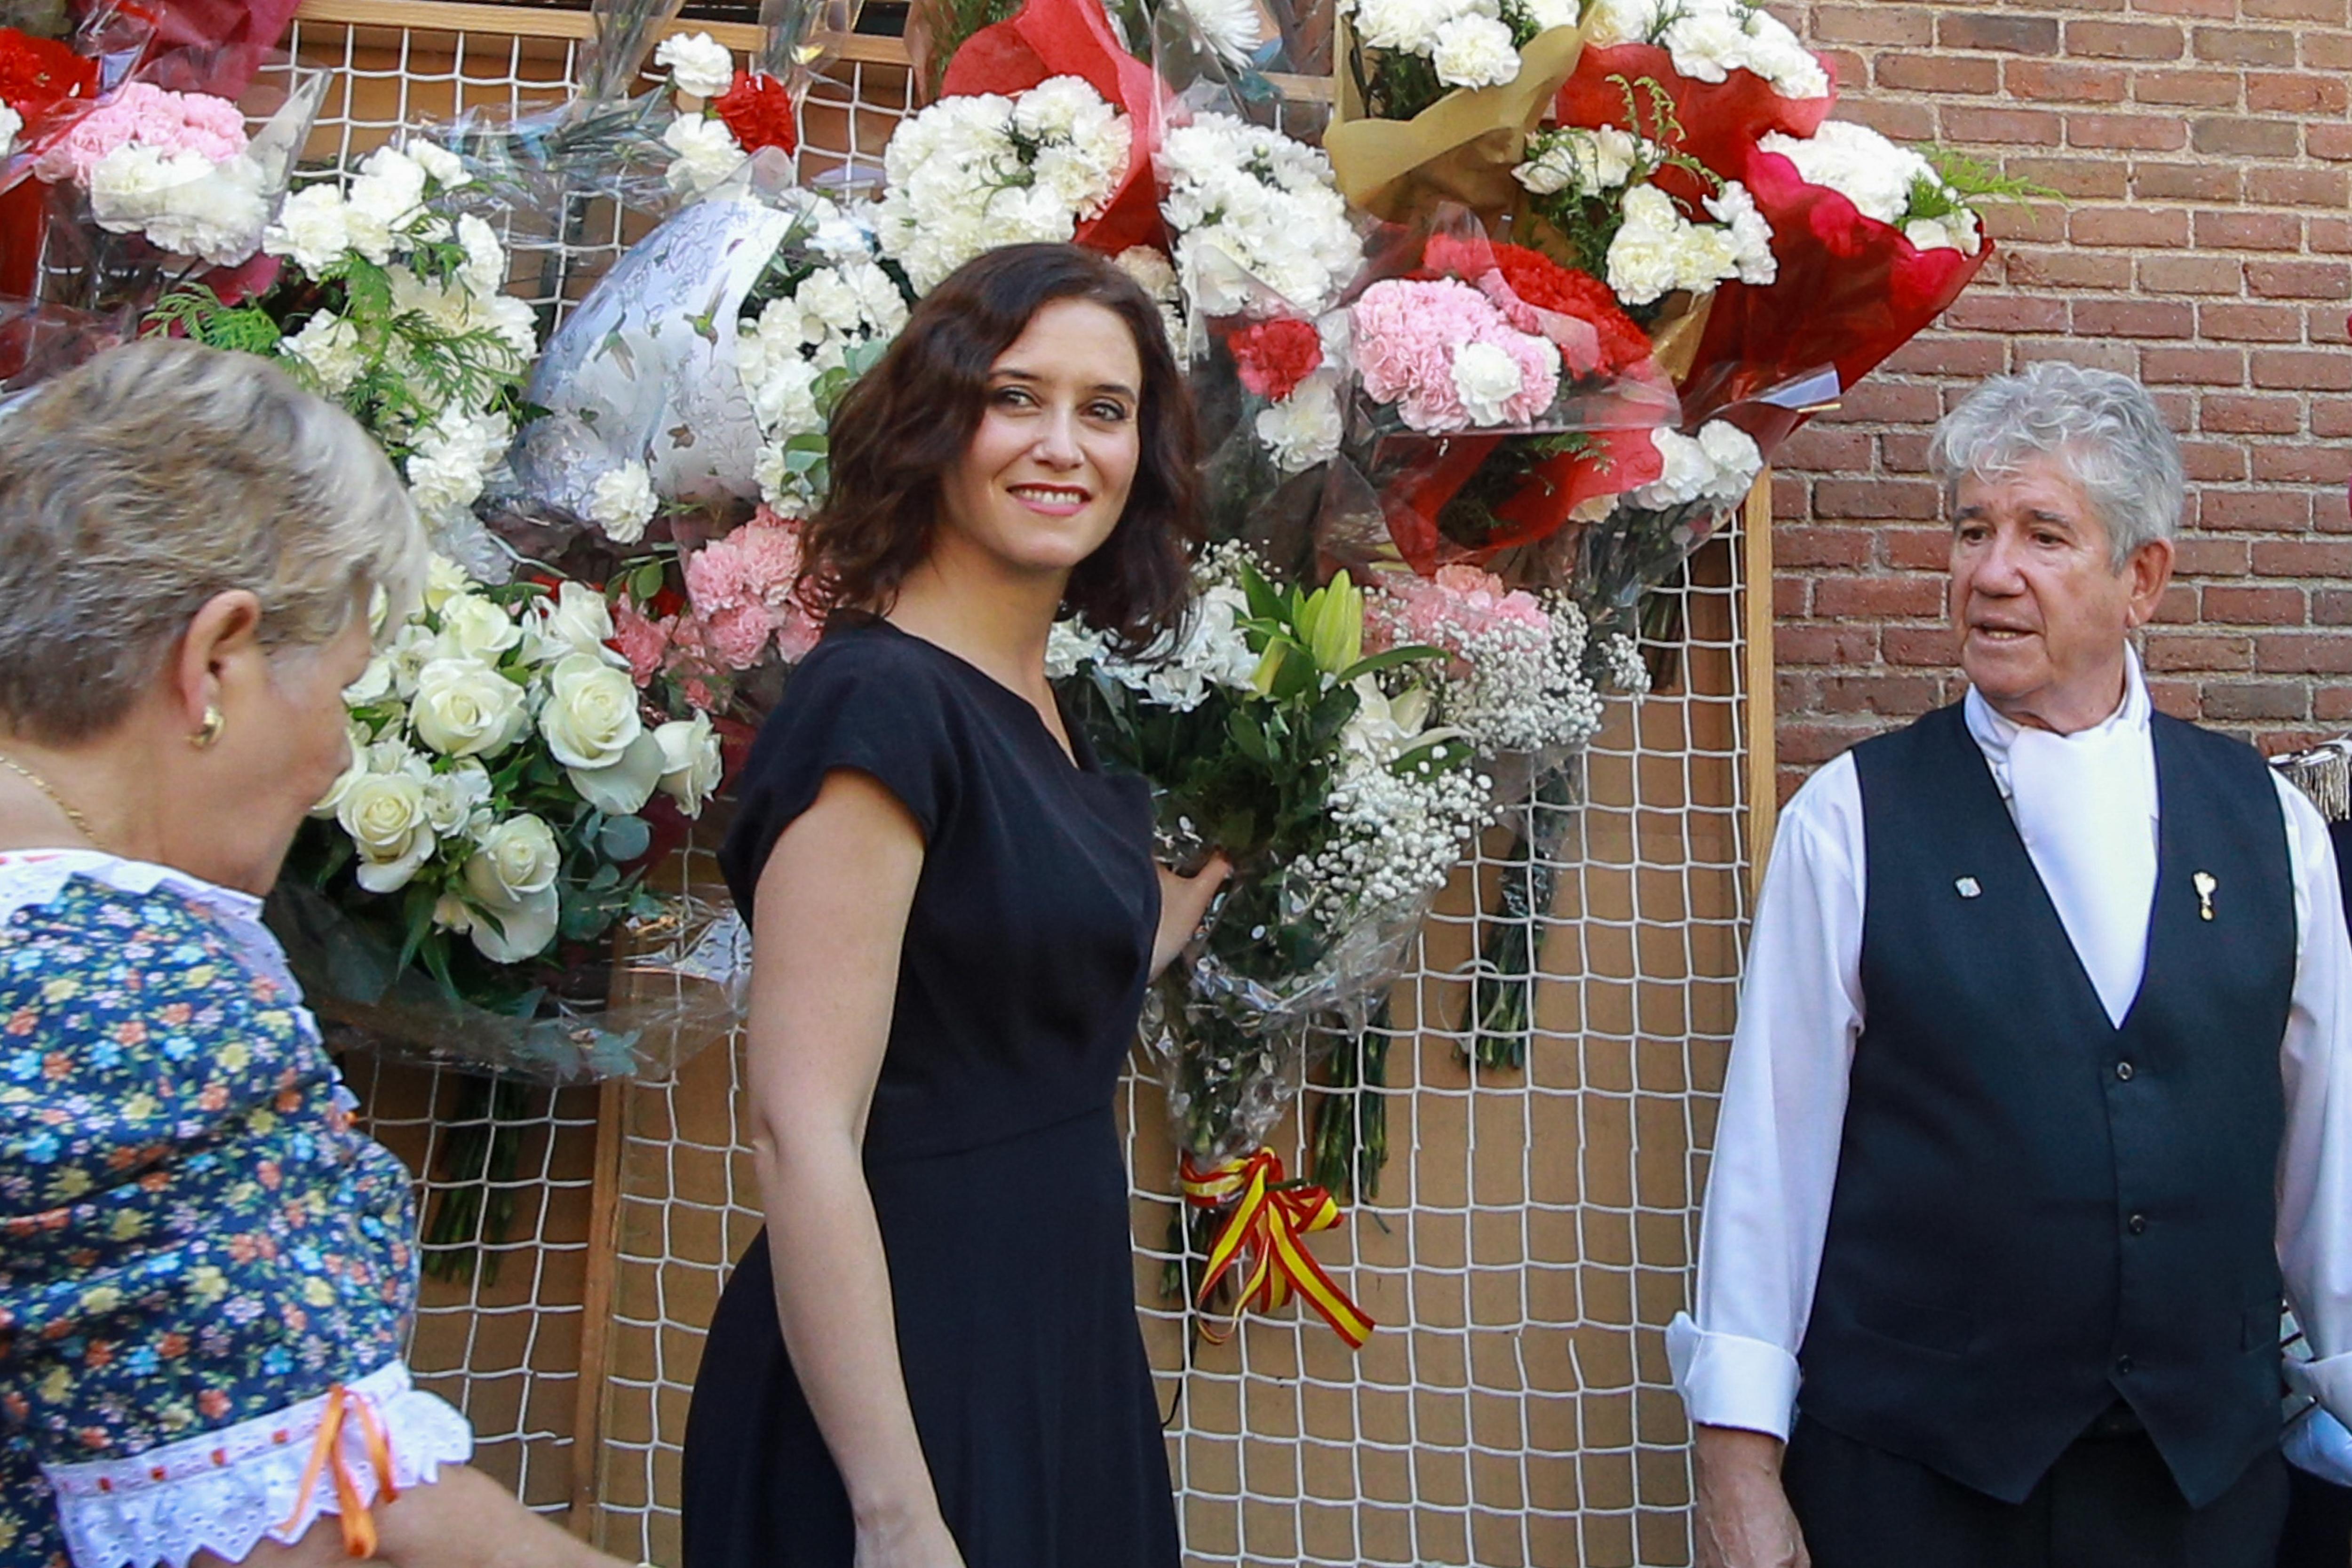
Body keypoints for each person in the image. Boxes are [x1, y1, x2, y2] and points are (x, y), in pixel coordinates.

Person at [1673, 359, 2352, 1567]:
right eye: (1972, 530)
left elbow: (2328, 1167)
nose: (1991, 573)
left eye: (2044, 534)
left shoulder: (2270, 827)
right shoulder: (1849, 818)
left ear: (2141, 578)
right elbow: (1769, 1161)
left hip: (2201, 1495)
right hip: (1916, 1485)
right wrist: (1739, 1469)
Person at [0, 341, 639, 1568]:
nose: (341, 755)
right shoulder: (131, 981)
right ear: (216, 662)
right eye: (341, 687)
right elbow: (352, 1527)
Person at [677, 243, 1228, 1568]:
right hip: (910, 1383)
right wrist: (896, 1512)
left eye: (1105, 409)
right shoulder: (884, 703)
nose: (1064, 445)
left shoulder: (1052, 715)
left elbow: (1023, 973)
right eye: (1015, 396)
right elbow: (801, 1122)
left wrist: (1228, 869)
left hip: (1063, 1339)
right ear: (935, 419)